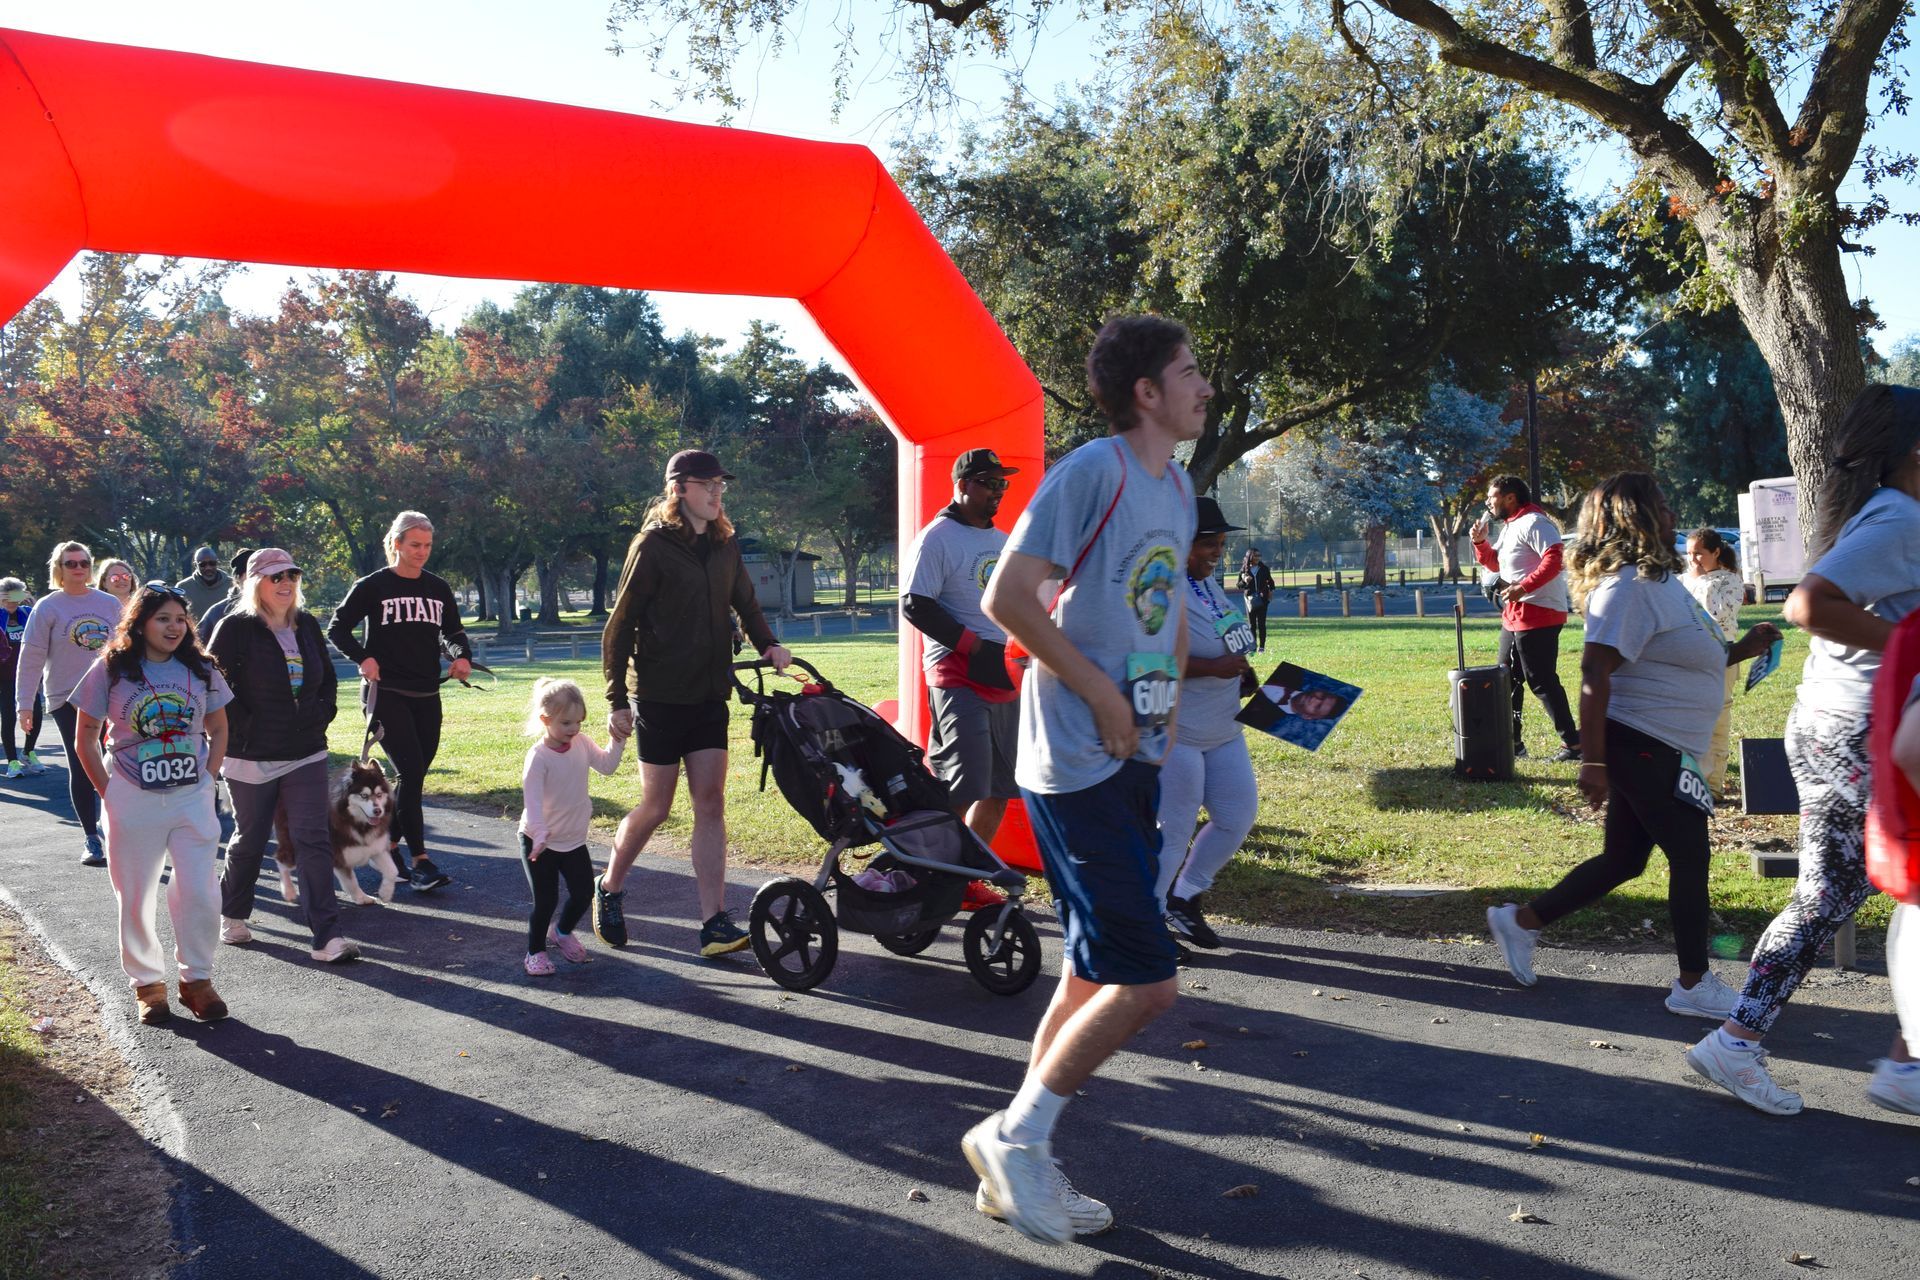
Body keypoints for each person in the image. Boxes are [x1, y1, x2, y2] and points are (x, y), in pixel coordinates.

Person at [966, 314, 1202, 1246]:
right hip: (1073, 761)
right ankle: (1016, 1136)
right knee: (1148, 983)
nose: (1204, 388)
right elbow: (1006, 598)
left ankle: (1015, 1162)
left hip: (1136, 753)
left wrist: (1167, 699)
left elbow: (1167, 598)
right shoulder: (1091, 474)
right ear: (1145, 391)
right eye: (1188, 373)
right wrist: (1103, 692)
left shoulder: (1177, 484)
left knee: (1089, 969)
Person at [1686, 385, 1920, 1115]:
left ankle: (1752, 1041)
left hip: (1838, 725)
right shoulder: (1901, 517)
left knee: (1833, 894)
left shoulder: (1890, 513)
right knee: (1853, 894)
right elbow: (1809, 605)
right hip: (1860, 732)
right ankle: (1895, 1064)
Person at [1486, 475, 1779, 1020]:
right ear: (1635, 518)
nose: (1673, 516)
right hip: (1642, 742)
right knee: (1690, 854)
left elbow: (1685, 656)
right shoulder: (1626, 588)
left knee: (1624, 858)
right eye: (1663, 507)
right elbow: (1594, 671)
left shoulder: (1661, 582)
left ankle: (1521, 922)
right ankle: (1693, 983)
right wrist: (1593, 760)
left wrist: (1744, 647)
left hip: (1664, 744)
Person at [595, 450, 792, 957]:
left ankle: (713, 923)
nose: (717, 492)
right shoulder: (653, 546)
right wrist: (617, 698)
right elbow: (619, 626)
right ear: (680, 489)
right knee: (656, 807)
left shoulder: (726, 545)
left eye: (721, 485)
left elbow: (745, 603)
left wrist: (768, 644)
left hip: (710, 692)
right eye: (707, 485)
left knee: (711, 802)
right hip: (659, 695)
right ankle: (610, 886)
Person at [69, 584, 231, 1024]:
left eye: (180, 618)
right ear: (139, 624)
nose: (174, 626)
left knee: (200, 890)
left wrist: (209, 778)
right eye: (163, 618)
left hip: (190, 797)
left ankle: (197, 981)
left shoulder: (201, 669)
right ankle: (148, 986)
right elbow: (84, 736)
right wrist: (109, 792)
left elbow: (218, 726)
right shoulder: (111, 669)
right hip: (131, 794)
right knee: (136, 896)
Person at [210, 549, 360, 964]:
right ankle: (233, 912)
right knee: (251, 838)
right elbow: (216, 686)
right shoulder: (235, 628)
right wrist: (244, 729)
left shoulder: (307, 624)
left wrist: (322, 714)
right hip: (250, 755)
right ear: (255, 581)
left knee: (313, 838)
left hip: (305, 750)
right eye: (275, 575)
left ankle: (326, 937)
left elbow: (327, 678)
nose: (285, 582)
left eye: (292, 574)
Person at [900, 446, 1024, 912]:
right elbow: (916, 604)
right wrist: (974, 648)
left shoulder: (1004, 539)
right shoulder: (938, 538)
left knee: (998, 788)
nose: (998, 492)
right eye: (989, 483)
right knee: (960, 786)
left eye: (1002, 484)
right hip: (958, 676)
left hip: (1003, 673)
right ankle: (916, 869)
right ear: (963, 484)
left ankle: (965, 876)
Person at [328, 511, 473, 893]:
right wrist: (363, 657)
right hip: (385, 694)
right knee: (410, 773)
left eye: (427, 545)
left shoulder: (438, 588)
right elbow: (337, 628)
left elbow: (453, 632)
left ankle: (387, 846)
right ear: (396, 544)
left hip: (427, 693)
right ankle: (421, 862)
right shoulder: (372, 585)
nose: (422, 552)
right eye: (414, 545)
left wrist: (461, 656)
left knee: (415, 775)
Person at [1158, 495, 1259, 951]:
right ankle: (1147, 922)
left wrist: (1242, 670)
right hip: (1176, 730)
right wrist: (1209, 668)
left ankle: (1184, 898)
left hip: (1223, 726)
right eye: (1207, 543)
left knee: (1237, 816)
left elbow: (1229, 638)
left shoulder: (1208, 585)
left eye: (1220, 543)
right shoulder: (1159, 589)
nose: (1217, 552)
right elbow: (1142, 662)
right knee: (1174, 832)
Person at [13, 542, 120, 865]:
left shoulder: (110, 604)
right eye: (70, 563)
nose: (78, 568)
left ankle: (119, 829)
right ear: (58, 568)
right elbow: (30, 657)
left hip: (111, 695)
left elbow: (129, 648)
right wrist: (24, 704)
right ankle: (91, 837)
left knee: (117, 765)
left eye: (84, 563)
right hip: (66, 698)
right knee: (83, 765)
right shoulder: (48, 607)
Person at [518, 677, 628, 976]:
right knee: (546, 899)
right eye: (566, 723)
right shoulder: (538, 757)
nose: (574, 729)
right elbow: (533, 802)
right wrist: (539, 834)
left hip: (573, 839)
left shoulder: (580, 743)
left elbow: (606, 766)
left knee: (582, 893)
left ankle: (562, 932)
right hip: (539, 840)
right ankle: (535, 953)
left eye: (578, 721)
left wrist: (616, 740)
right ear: (545, 720)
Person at [1471, 476, 1580, 763]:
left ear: (1510, 498)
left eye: (1492, 497)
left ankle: (1574, 745)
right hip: (1514, 615)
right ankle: (1513, 743)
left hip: (1539, 612)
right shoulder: (1511, 526)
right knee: (1505, 679)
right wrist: (1481, 543)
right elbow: (1497, 564)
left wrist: (1524, 587)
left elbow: (1555, 558)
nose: (1488, 503)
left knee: (1541, 681)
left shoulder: (1535, 522)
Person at [1681, 528, 1745, 795]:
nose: (1693, 560)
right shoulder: (1682, 580)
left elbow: (1716, 615)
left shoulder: (1729, 581)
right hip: (1688, 656)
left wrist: (1700, 581)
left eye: (1699, 554)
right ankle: (1687, 780)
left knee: (1717, 721)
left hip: (1722, 654)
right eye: (1689, 554)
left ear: (1716, 552)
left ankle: (1711, 786)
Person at [1, 577, 47, 779]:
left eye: (16, 597)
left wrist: (32, 601)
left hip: (28, 676)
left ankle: (28, 752)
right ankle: (12, 761)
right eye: (7, 597)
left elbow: (43, 629)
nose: (12, 602)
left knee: (35, 715)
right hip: (4, 678)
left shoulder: (27, 614)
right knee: (9, 718)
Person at [197, 547, 252, 637]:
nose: (258, 580)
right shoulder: (217, 614)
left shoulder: (279, 611)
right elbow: (197, 645)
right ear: (238, 579)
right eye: (251, 575)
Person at [176, 545, 231, 620]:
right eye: (202, 564)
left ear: (217, 563)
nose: (208, 568)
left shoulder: (233, 585)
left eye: (212, 563)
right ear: (195, 565)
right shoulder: (183, 588)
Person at [1236, 547, 1275, 652]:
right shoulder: (1244, 570)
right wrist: (1244, 580)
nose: (1258, 558)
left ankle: (1262, 647)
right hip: (1250, 600)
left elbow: (1271, 582)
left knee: (1261, 623)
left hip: (1262, 599)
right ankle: (1253, 647)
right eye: (1256, 556)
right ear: (1250, 557)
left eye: (1259, 555)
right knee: (1252, 624)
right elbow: (1239, 585)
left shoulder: (1264, 568)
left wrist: (1270, 592)